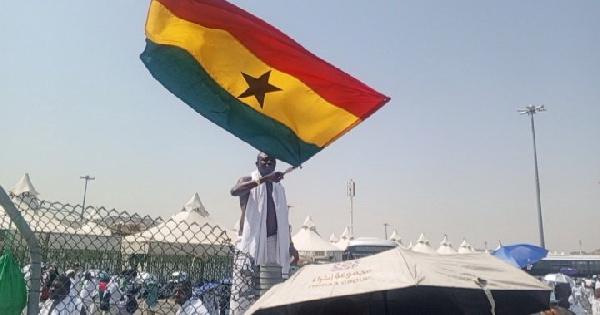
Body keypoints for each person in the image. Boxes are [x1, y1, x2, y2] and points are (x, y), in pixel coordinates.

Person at [229, 152, 293, 314]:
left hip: (273, 245)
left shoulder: (279, 188)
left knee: (270, 292)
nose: (268, 163)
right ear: (257, 164)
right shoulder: (247, 181)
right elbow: (234, 191)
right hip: (249, 244)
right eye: (264, 160)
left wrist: (291, 245)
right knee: (243, 293)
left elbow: (283, 220)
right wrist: (263, 180)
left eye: (272, 161)